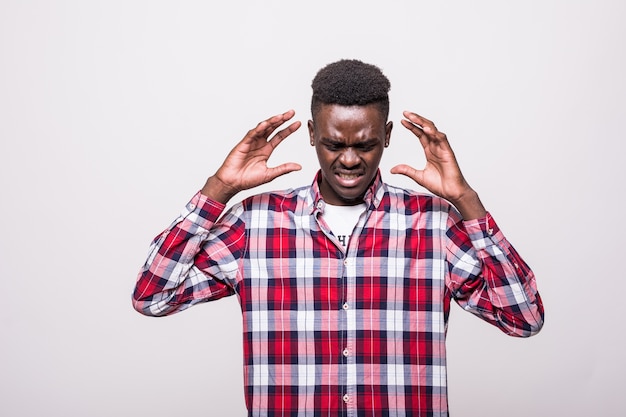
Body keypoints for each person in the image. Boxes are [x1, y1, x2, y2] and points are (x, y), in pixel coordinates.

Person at [133, 59, 544, 417]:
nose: (349, 160)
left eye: (365, 144)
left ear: (386, 135)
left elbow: (524, 320)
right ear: (312, 134)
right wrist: (219, 188)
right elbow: (152, 297)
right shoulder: (253, 225)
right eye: (333, 144)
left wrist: (467, 201)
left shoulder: (435, 226)